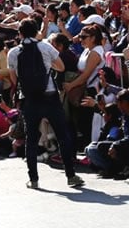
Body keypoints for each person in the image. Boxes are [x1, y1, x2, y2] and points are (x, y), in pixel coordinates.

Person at [8, 19, 84, 189]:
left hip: (29, 99)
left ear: (20, 33)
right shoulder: (45, 47)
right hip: (49, 96)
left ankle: (33, 179)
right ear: (36, 32)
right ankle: (71, 175)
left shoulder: (13, 52)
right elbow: (61, 67)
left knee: (31, 139)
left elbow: (14, 78)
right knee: (62, 135)